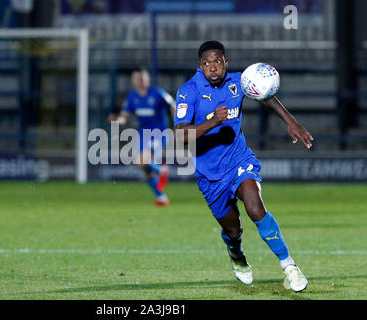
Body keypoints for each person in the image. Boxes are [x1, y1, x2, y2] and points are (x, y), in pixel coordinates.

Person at [174, 41, 314, 292]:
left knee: (255, 206)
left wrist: (291, 121)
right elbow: (180, 135)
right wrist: (214, 122)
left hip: (239, 161)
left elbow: (265, 96)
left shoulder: (239, 81)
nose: (213, 68)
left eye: (217, 62)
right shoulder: (189, 91)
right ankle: (236, 254)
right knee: (233, 229)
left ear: (226, 62)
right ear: (200, 66)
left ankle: (289, 266)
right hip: (210, 174)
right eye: (206, 63)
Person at [109, 67, 176, 206]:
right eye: (136, 78)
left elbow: (173, 106)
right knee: (144, 167)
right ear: (133, 80)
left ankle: (161, 170)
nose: (140, 81)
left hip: (159, 134)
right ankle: (161, 196)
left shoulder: (158, 93)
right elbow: (124, 116)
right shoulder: (132, 97)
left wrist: (178, 125)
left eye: (142, 77)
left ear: (147, 78)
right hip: (143, 134)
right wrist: (117, 120)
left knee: (142, 160)